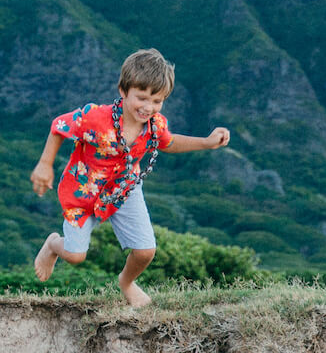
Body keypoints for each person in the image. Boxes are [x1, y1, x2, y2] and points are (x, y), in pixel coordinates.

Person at [27, 48, 231, 308]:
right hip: (84, 191)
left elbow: (168, 142)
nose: (148, 107)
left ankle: (126, 282)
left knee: (145, 251)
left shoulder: (155, 125)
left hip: (124, 190)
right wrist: (45, 164)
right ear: (123, 91)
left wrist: (206, 142)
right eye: (142, 98)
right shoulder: (95, 118)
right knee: (76, 256)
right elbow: (59, 126)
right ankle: (54, 245)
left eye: (157, 101)